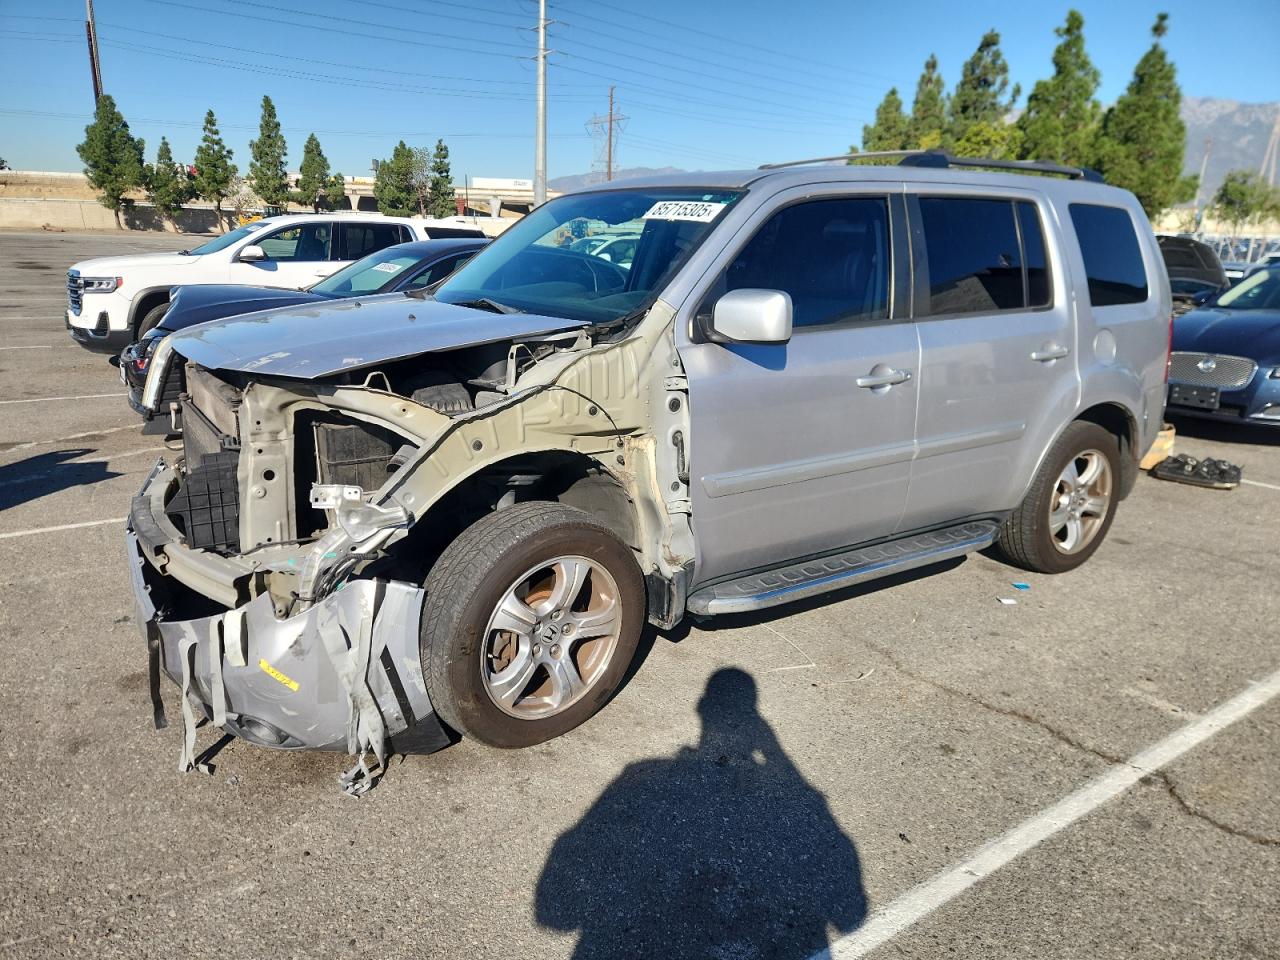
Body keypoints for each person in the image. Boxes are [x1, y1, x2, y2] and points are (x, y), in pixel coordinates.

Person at [537, 667, 867, 958]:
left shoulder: (640, 773)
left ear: (701, 709)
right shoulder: (805, 806)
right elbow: (851, 916)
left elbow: (554, 913)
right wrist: (777, 755)